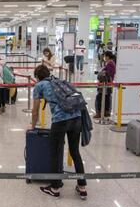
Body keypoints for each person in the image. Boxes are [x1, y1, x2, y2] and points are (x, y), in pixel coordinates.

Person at [30, 65, 87, 199]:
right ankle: (82, 186)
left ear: (37, 77)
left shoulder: (40, 85)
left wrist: (32, 126)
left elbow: (35, 111)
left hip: (61, 120)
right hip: (77, 117)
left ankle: (55, 188)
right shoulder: (59, 81)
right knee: (75, 152)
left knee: (55, 153)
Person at [94, 51, 116, 119]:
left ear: (107, 57)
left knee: (100, 98)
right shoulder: (110, 63)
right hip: (107, 84)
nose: (103, 58)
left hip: (105, 84)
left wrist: (101, 73)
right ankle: (106, 112)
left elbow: (107, 74)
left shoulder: (110, 64)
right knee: (106, 98)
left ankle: (100, 113)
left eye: (104, 56)